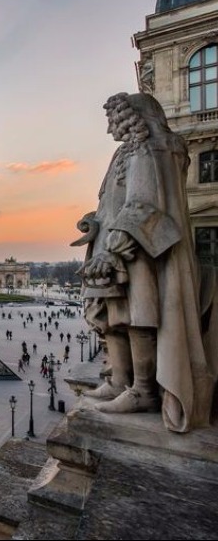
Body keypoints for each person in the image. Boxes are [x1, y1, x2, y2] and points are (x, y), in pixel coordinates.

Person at [74, 92, 218, 432]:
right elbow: (113, 203)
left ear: (134, 118)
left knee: (139, 317)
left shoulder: (153, 149)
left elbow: (144, 204)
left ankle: (142, 389)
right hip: (114, 243)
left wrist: (114, 246)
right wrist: (94, 223)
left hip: (139, 247)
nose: (111, 127)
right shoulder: (128, 152)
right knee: (113, 315)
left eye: (115, 120)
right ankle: (121, 379)